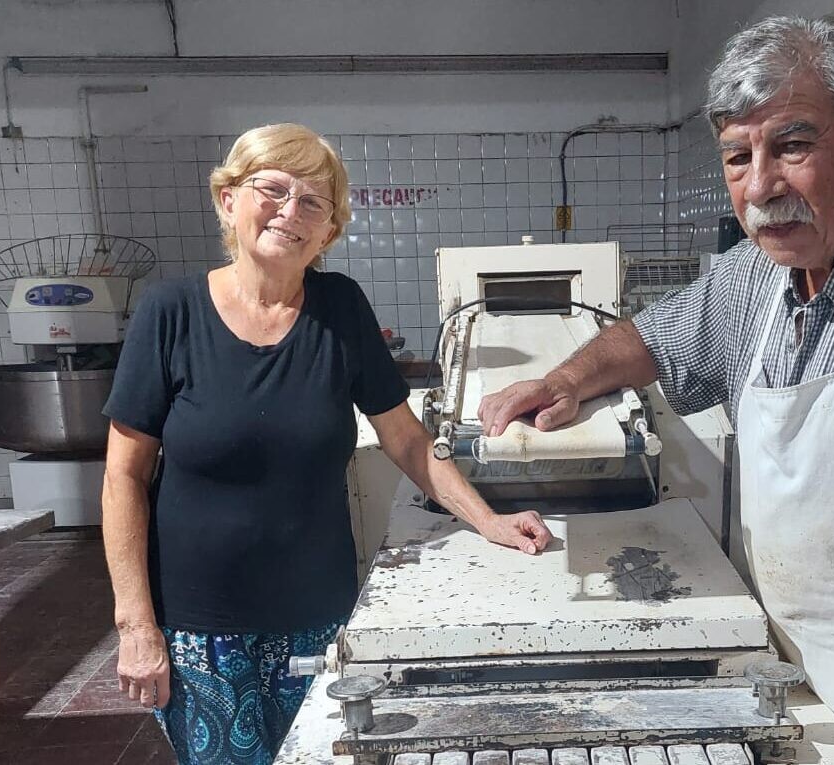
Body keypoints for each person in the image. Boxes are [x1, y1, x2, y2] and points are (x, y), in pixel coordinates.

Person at [479, 16, 834, 765]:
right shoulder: (755, 275)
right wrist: (563, 380)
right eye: (737, 156)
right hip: (821, 678)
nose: (760, 187)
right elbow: (650, 339)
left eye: (792, 145)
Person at [102, 123, 552, 765]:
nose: (290, 211)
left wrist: (489, 520)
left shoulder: (340, 308)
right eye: (273, 189)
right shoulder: (169, 312)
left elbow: (406, 439)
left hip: (317, 617)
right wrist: (136, 625)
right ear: (229, 199)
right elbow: (123, 477)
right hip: (200, 632)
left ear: (328, 232)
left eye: (313, 202)